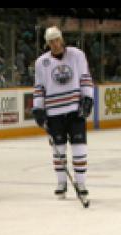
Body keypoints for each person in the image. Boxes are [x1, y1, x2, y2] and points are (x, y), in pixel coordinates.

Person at [32, 26, 94, 198]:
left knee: (79, 148)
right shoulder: (41, 62)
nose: (55, 44)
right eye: (51, 41)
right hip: (54, 113)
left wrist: (88, 98)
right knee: (58, 149)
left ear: (62, 39)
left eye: (57, 40)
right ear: (47, 43)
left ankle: (81, 184)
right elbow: (39, 88)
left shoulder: (77, 55)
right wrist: (38, 108)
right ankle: (61, 183)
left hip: (75, 111)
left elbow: (85, 78)